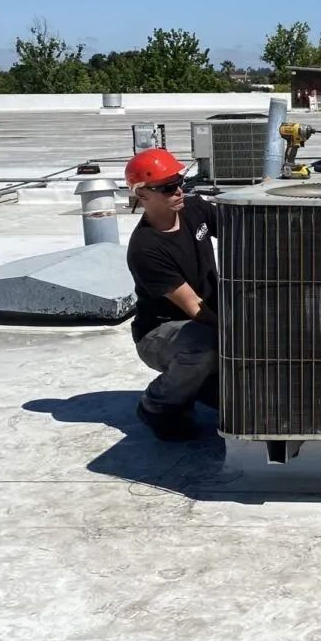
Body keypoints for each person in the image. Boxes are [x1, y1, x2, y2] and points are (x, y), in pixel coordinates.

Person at [124, 148, 220, 441]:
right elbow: (194, 307)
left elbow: (241, 230)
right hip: (161, 334)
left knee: (241, 404)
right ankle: (158, 405)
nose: (178, 191)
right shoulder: (146, 249)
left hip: (201, 322)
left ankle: (200, 384)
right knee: (208, 344)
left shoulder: (194, 208)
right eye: (167, 188)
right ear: (143, 196)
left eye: (180, 182)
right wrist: (240, 333)